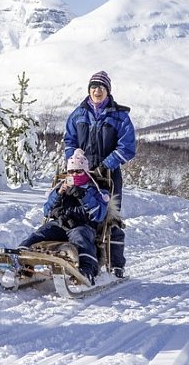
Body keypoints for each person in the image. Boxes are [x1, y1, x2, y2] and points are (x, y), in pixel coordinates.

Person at [64, 71, 136, 278]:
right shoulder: (78, 114)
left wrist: (107, 164)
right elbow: (69, 141)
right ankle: (79, 254)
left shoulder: (119, 116)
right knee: (77, 211)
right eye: (93, 87)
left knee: (110, 217)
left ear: (108, 91)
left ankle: (116, 264)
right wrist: (74, 159)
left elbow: (127, 146)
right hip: (80, 172)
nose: (97, 91)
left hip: (108, 175)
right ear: (89, 90)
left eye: (101, 88)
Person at [18, 149, 110, 285]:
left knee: (82, 240)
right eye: (71, 171)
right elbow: (46, 210)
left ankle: (86, 271)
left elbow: (99, 214)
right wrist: (58, 194)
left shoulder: (95, 190)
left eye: (78, 171)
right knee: (41, 232)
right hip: (60, 224)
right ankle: (21, 259)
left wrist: (83, 196)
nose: (74, 174)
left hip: (82, 225)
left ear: (85, 172)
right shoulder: (61, 187)